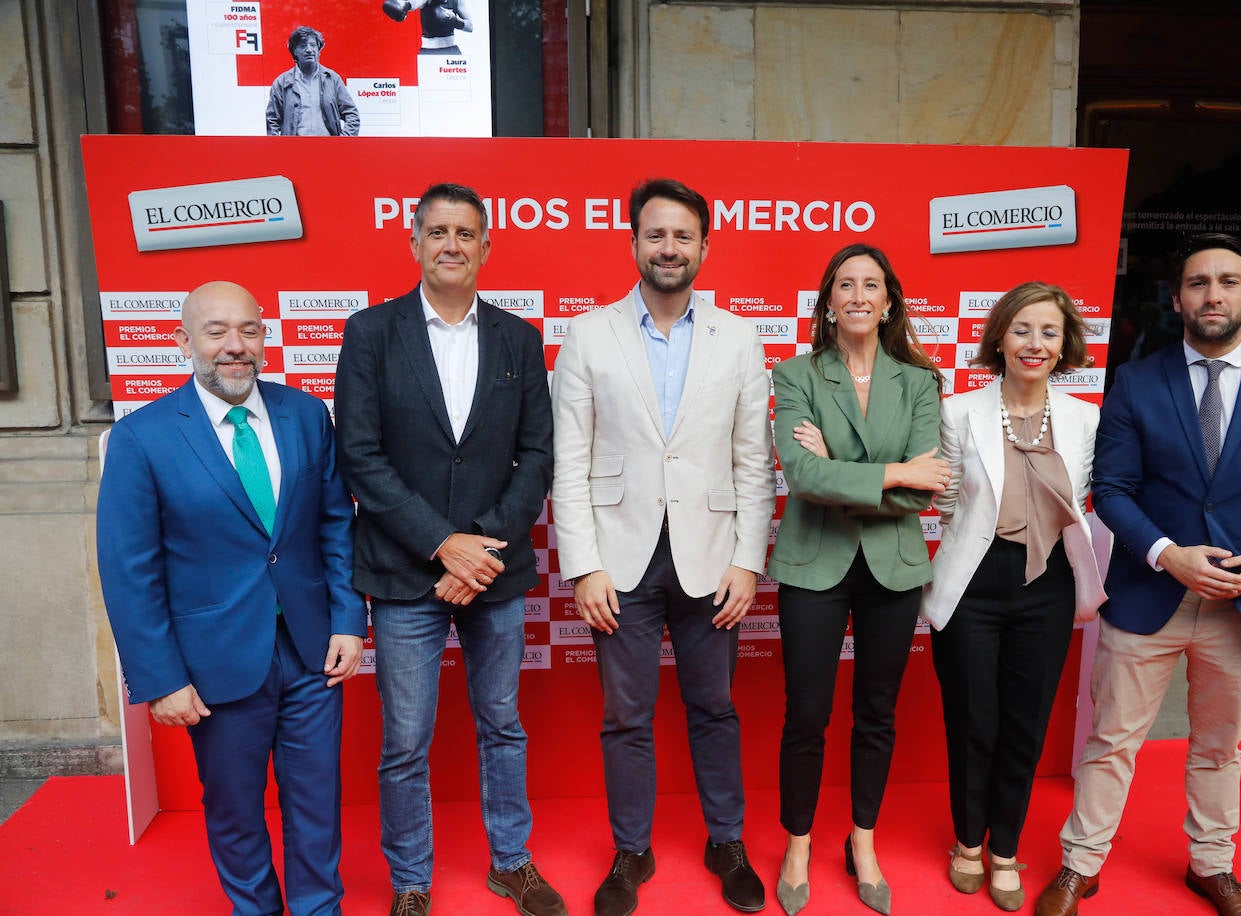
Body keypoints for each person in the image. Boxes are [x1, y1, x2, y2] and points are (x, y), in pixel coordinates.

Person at [1035, 233, 1241, 916]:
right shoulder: (1138, 382)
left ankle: (1213, 866)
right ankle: (1079, 865)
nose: (1213, 294)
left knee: (1219, 746)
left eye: (1228, 281)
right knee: (1112, 739)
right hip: (1149, 595)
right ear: (1177, 298)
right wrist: (1167, 553)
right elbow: (1111, 488)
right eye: (1198, 283)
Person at [97, 281, 366, 915]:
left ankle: (317, 909)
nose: (234, 346)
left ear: (265, 339)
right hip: (213, 663)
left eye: (248, 330)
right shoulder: (143, 438)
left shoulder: (305, 414)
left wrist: (350, 620)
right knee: (235, 810)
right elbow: (129, 571)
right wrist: (159, 678)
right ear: (183, 341)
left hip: (310, 652)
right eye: (216, 332)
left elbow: (335, 522)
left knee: (316, 804)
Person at [334, 183, 563, 916]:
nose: (452, 244)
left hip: (491, 574)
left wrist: (479, 552)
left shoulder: (520, 340)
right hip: (406, 576)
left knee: (503, 725)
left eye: (466, 233)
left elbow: (537, 457)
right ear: (414, 243)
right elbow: (361, 457)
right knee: (404, 742)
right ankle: (411, 880)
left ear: (487, 247)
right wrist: (442, 544)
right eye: (438, 232)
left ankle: (511, 862)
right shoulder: (370, 333)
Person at [550, 178, 774, 916]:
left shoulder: (738, 336)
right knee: (626, 713)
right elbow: (569, 459)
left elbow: (752, 458)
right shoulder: (589, 333)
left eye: (683, 236)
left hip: (713, 557)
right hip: (620, 559)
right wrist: (582, 565)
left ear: (705, 246)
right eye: (655, 235)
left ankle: (726, 841)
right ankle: (632, 850)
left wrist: (748, 559)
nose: (669, 247)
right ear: (635, 244)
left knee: (714, 707)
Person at [769, 244, 949, 916]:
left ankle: (863, 840)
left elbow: (924, 496)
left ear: (889, 301)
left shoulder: (920, 382)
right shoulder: (795, 376)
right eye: (845, 284)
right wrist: (895, 472)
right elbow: (804, 477)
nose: (857, 295)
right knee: (807, 714)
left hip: (892, 568)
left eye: (870, 284)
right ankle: (797, 842)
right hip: (814, 564)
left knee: (877, 713)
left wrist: (852, 475)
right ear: (827, 302)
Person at [924, 282, 1107, 912]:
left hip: (1047, 585)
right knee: (974, 722)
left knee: (1024, 724)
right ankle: (968, 844)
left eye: (1049, 332)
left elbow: (1083, 504)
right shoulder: (959, 412)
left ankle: (1006, 848)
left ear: (1065, 346)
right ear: (999, 336)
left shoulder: (1086, 419)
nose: (1035, 343)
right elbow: (946, 504)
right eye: (1022, 330)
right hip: (973, 582)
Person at [265, 26, 360, 136]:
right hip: (295, 150)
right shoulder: (282, 83)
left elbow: (352, 115)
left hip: (328, 149)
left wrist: (343, 141)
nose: (309, 50)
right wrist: (279, 149)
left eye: (313, 45)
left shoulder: (332, 79)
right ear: (294, 51)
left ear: (318, 49)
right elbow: (272, 121)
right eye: (303, 46)